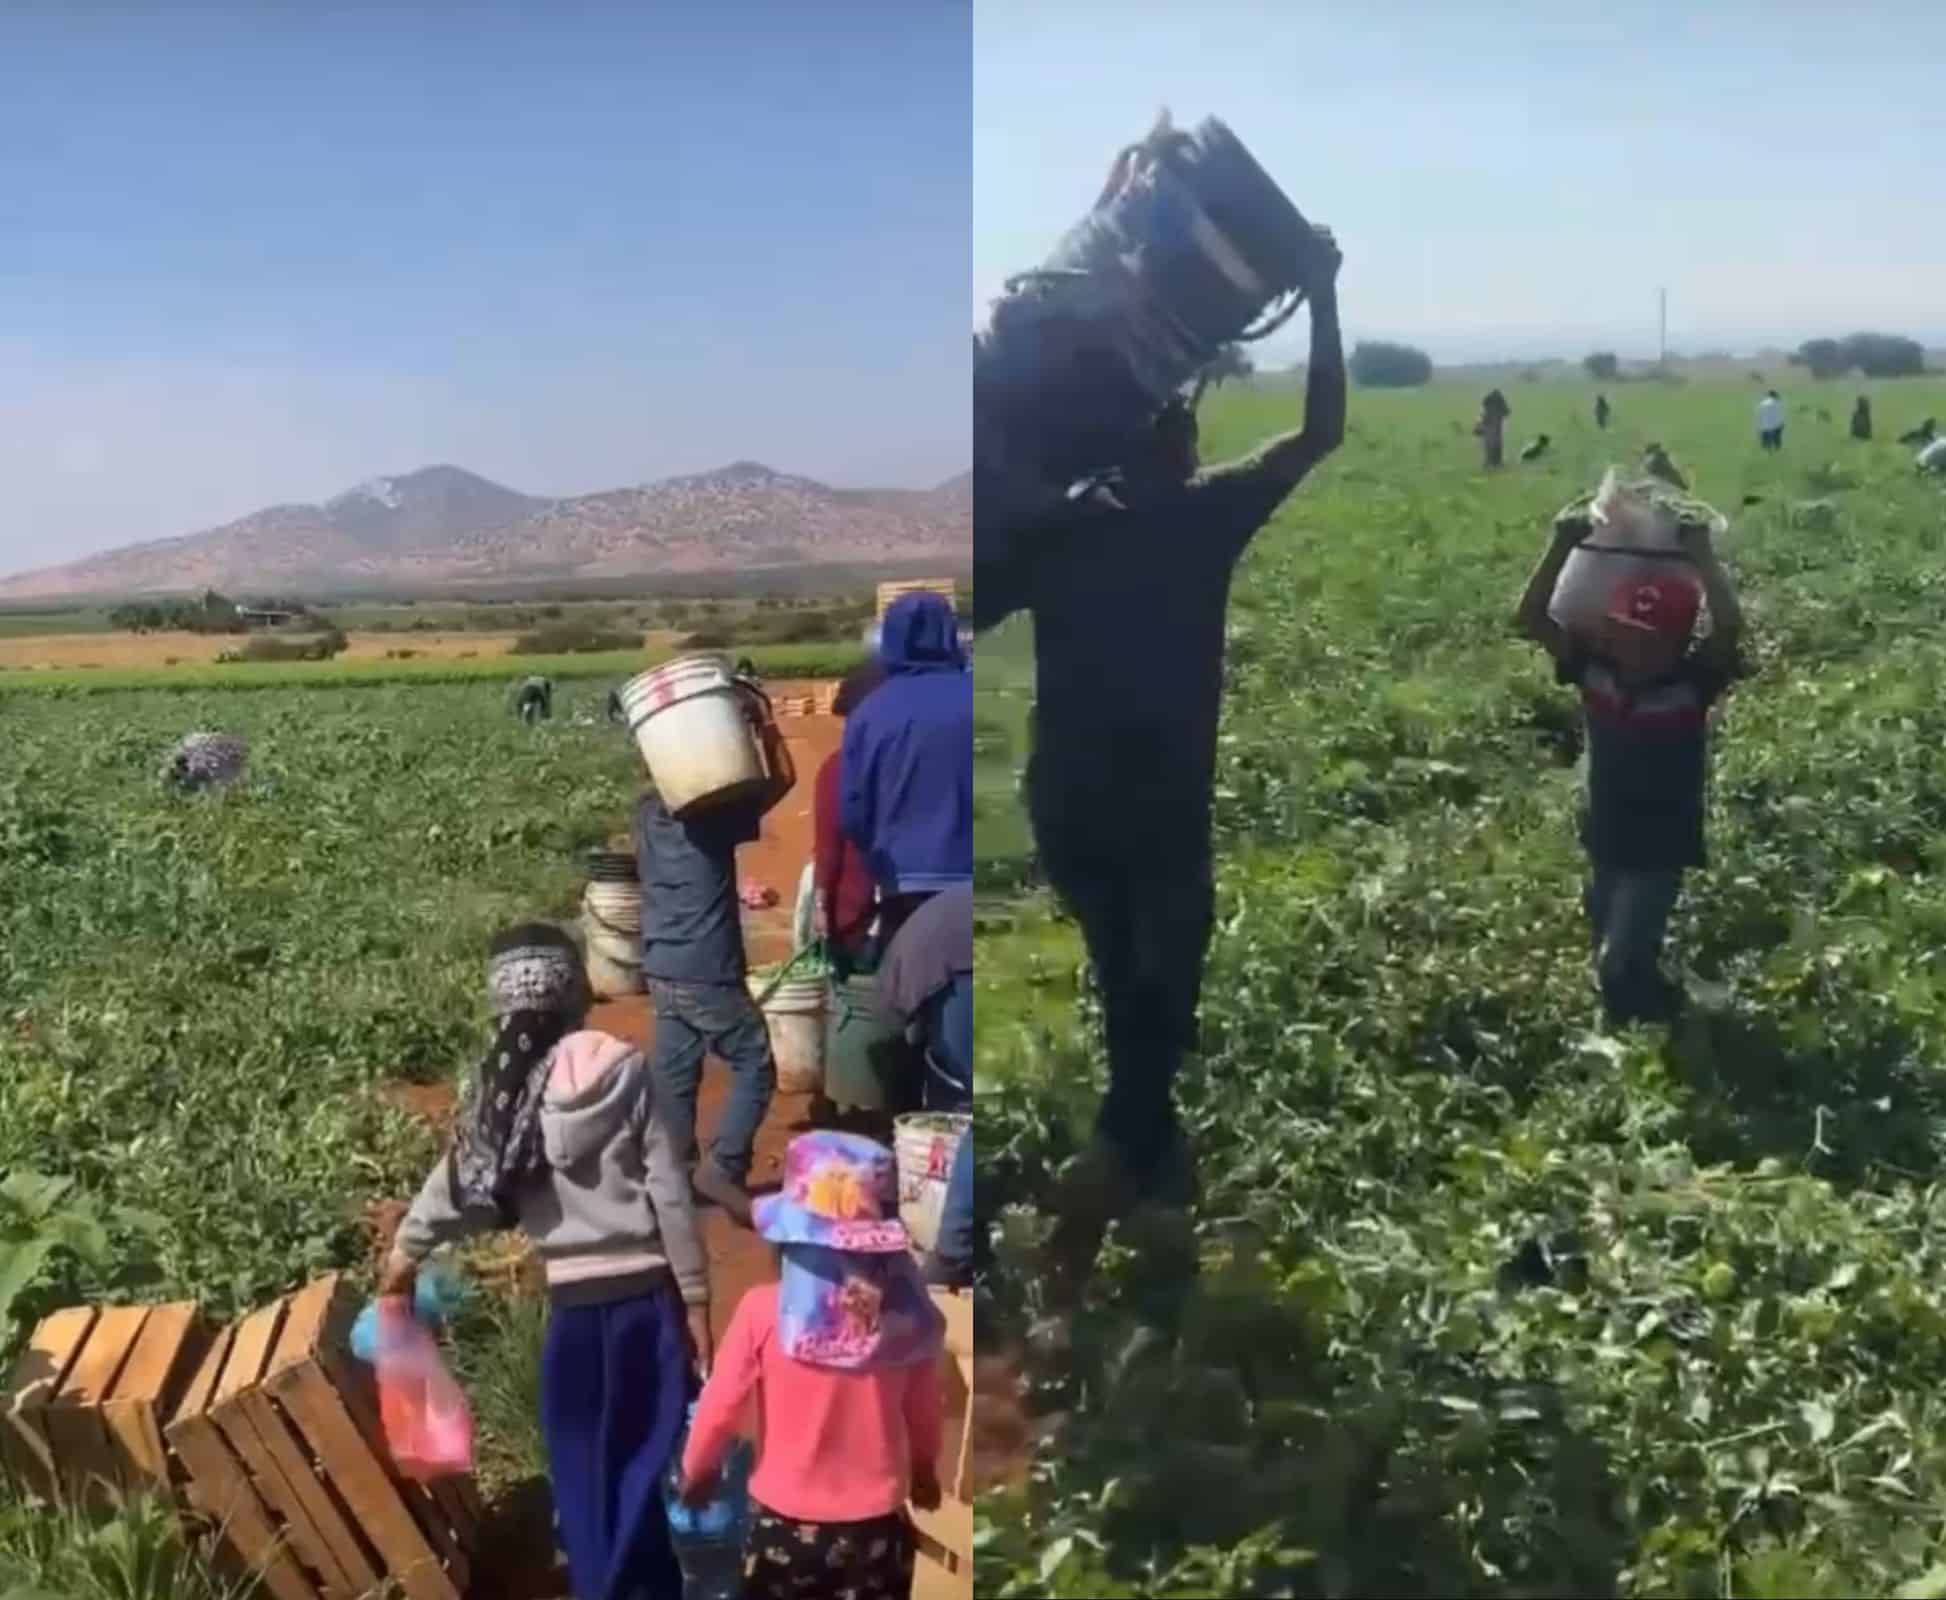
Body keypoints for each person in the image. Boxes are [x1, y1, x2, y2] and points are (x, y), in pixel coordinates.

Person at [978, 227, 1344, 1291]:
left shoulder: (1062, 530)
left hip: (1066, 806)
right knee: (1157, 1009)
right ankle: (1091, 1199)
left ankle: (1155, 1187)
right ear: (1177, 447)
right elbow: (1319, 429)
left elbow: (972, 590)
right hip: (1155, 806)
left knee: (1127, 991)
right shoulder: (1202, 516)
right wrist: (1318, 293)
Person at [380, 923, 709, 1600]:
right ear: (576, 992)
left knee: (585, 1483)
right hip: (648, 1302)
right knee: (644, 1469)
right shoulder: (626, 1066)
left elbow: (456, 1189)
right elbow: (669, 1190)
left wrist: (402, 1258)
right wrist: (698, 1300)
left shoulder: (503, 1092)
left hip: (577, 1317)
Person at [677, 1132, 945, 1600]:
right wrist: (923, 1473)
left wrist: (696, 1472)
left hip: (784, 1531)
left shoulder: (762, 1310)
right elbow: (924, 1411)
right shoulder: (902, 1321)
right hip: (876, 1532)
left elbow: (719, 1406)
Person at [1514, 488, 1745, 1027]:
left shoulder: (1692, 683)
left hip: (1660, 844)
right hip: (1605, 831)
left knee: (1619, 961)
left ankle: (1651, 1020)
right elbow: (1530, 616)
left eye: (1650, 638)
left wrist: (1703, 557)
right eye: (1624, 632)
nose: (1633, 646)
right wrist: (1561, 545)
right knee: (1606, 936)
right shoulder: (1595, 670)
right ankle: (1647, 1001)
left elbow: (1729, 626)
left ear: (1678, 640)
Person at [636, 703, 797, 1218]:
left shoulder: (645, 811)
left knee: (676, 1070)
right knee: (754, 1063)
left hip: (660, 963)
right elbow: (783, 780)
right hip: (707, 968)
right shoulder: (709, 818)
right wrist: (761, 723)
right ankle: (723, 1166)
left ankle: (670, 1176)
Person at [841, 591, 972, 950]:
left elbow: (853, 812)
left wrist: (878, 857)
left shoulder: (870, 713)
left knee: (910, 989)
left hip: (904, 879)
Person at [874, 882, 973, 1286]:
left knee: (957, 1093)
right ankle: (953, 1250)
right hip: (950, 961)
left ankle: (943, 1213)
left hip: (929, 950)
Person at [814, 661, 888, 977]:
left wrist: (820, 907)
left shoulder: (840, 768)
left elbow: (829, 850)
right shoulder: (918, 761)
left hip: (859, 921)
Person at [1475, 388, 1511, 468]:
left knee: (1488, 444)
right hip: (1497, 426)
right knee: (1497, 444)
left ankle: (1488, 462)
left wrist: (1478, 423)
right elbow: (1507, 413)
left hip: (1487, 425)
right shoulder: (1501, 401)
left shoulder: (1486, 401)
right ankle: (1497, 462)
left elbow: (1481, 413)